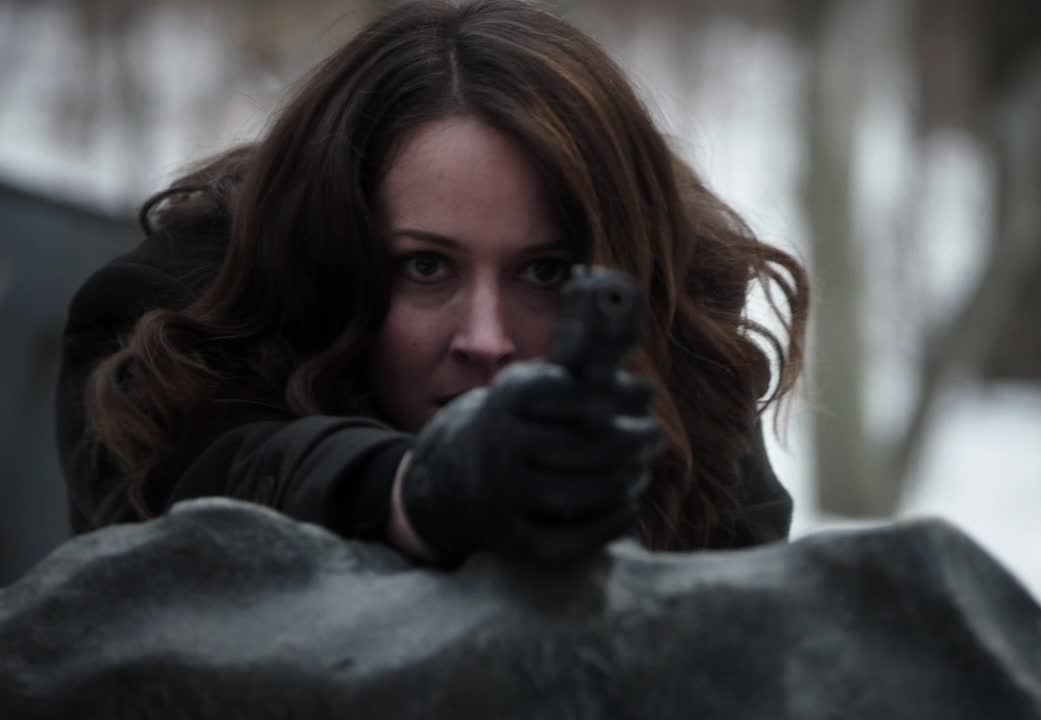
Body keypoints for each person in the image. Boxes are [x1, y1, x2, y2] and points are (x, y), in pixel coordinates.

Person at [56, 0, 809, 568]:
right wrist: (414, 490)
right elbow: (216, 487)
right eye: (426, 266)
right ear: (333, 257)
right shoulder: (180, 337)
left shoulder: (680, 360)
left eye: (544, 272)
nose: (485, 341)